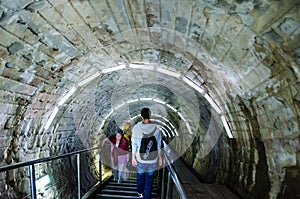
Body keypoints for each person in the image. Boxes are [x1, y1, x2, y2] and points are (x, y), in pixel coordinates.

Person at [131, 108, 163, 199]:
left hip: (140, 160)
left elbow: (134, 144)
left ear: (141, 116)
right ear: (150, 115)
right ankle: (146, 197)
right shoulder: (157, 130)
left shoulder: (136, 129)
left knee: (140, 178)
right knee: (149, 181)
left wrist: (133, 158)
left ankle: (140, 192)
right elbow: (159, 146)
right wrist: (160, 159)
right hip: (153, 160)